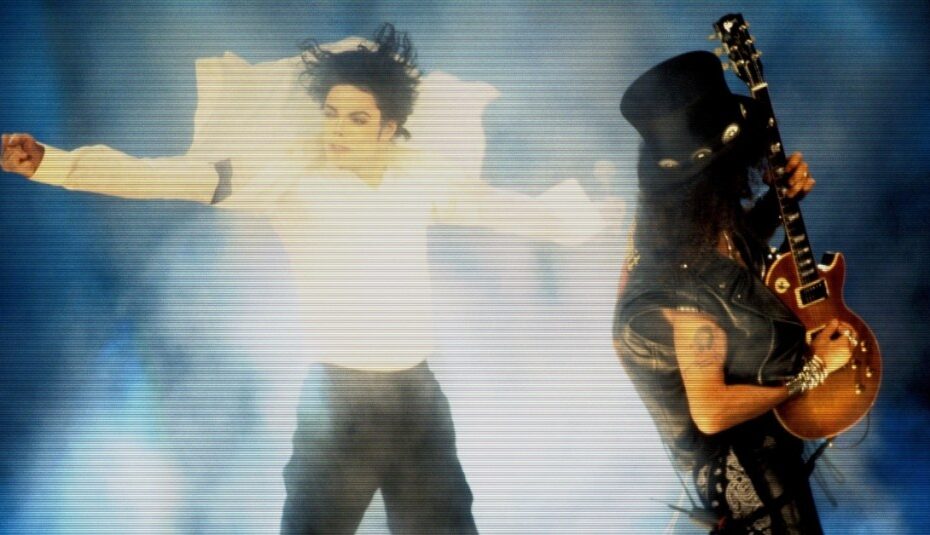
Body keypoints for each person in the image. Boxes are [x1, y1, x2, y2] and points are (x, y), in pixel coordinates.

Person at [2, 24, 605, 534]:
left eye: (357, 119)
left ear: (388, 127)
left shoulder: (420, 173)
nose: (337, 129)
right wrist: (53, 163)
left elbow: (510, 210)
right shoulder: (288, 174)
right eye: (332, 114)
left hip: (419, 400)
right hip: (339, 406)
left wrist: (598, 220)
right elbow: (163, 176)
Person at [612, 51, 857, 534]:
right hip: (747, 477)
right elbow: (711, 411)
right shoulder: (682, 296)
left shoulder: (688, 224)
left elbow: (726, 267)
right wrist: (813, 371)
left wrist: (777, 205)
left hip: (765, 450)